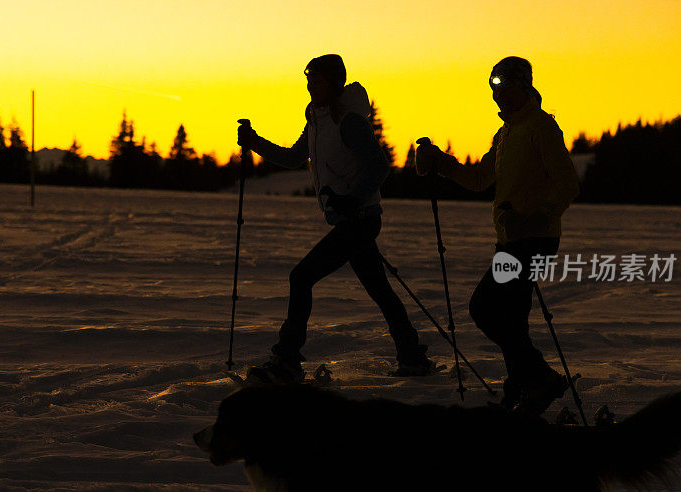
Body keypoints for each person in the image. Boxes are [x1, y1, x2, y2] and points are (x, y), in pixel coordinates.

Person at [237, 54, 431, 383]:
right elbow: (293, 157)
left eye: (316, 80)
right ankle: (412, 357)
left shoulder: (349, 120)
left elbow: (379, 165)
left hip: (361, 218)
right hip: (349, 219)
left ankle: (286, 360)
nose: (310, 86)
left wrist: (353, 199)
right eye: (308, 80)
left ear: (333, 82)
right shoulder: (318, 117)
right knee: (380, 290)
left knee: (301, 277)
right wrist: (254, 142)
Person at [416, 56, 580, 414]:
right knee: (511, 318)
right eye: (496, 90)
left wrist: (537, 218)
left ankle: (539, 379)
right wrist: (440, 162)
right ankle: (521, 392)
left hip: (534, 241)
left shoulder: (541, 127)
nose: (499, 96)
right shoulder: (505, 134)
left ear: (524, 87)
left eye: (506, 88)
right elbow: (479, 179)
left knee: (485, 309)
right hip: (511, 241)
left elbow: (567, 182)